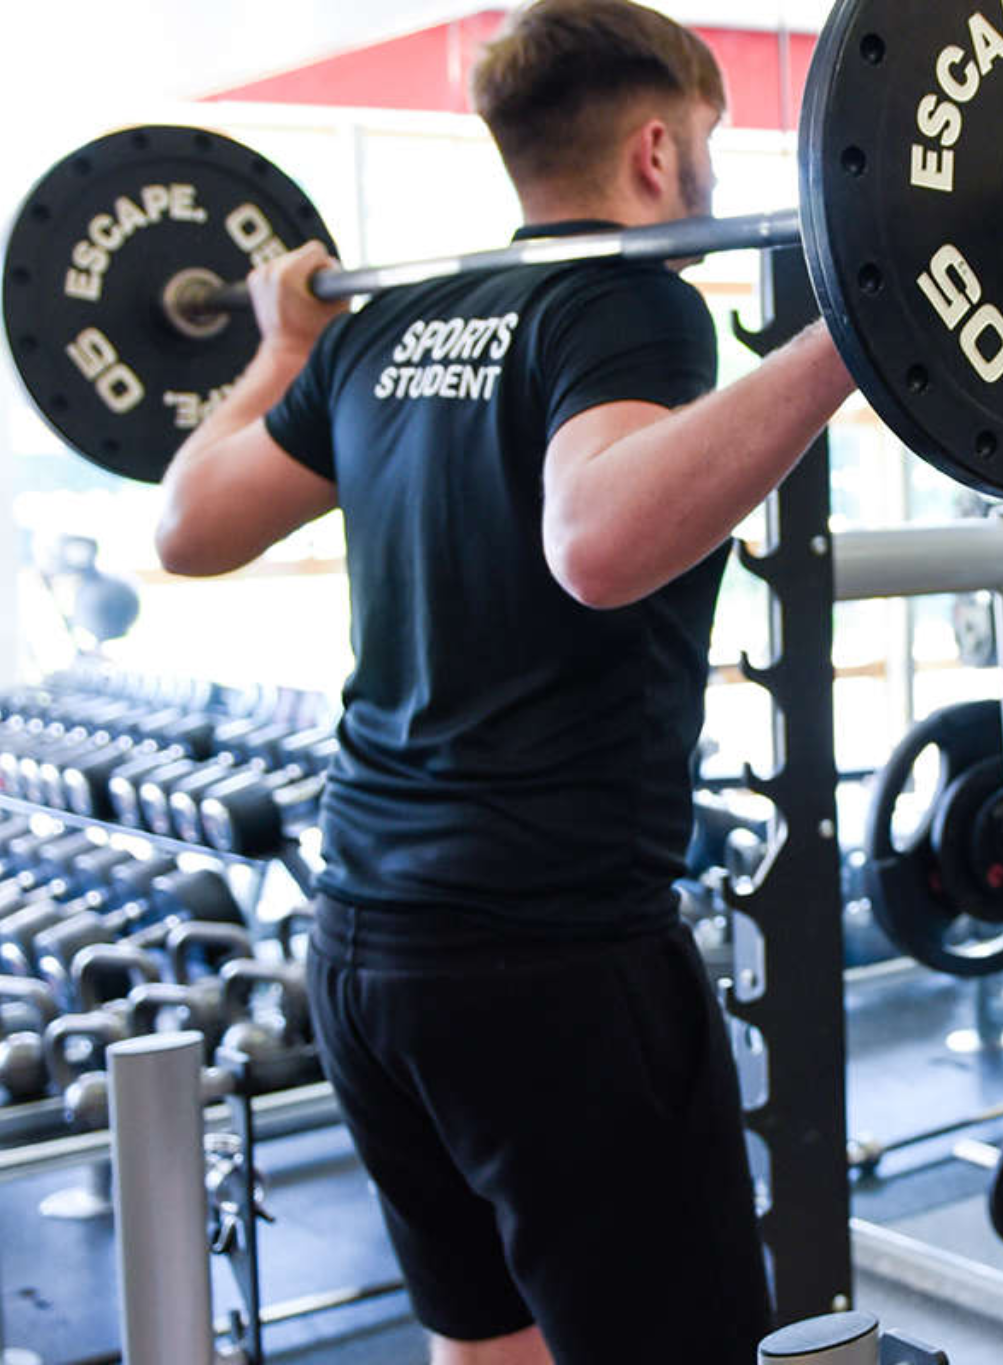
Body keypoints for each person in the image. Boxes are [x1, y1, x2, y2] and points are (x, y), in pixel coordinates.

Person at [153, 2, 855, 1360]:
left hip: (366, 945)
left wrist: (282, 349)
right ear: (659, 147)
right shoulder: (627, 301)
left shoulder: (385, 324)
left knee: (490, 1343)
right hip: (553, 959)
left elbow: (190, 522)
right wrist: (855, 337)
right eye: (706, 141)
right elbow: (594, 541)